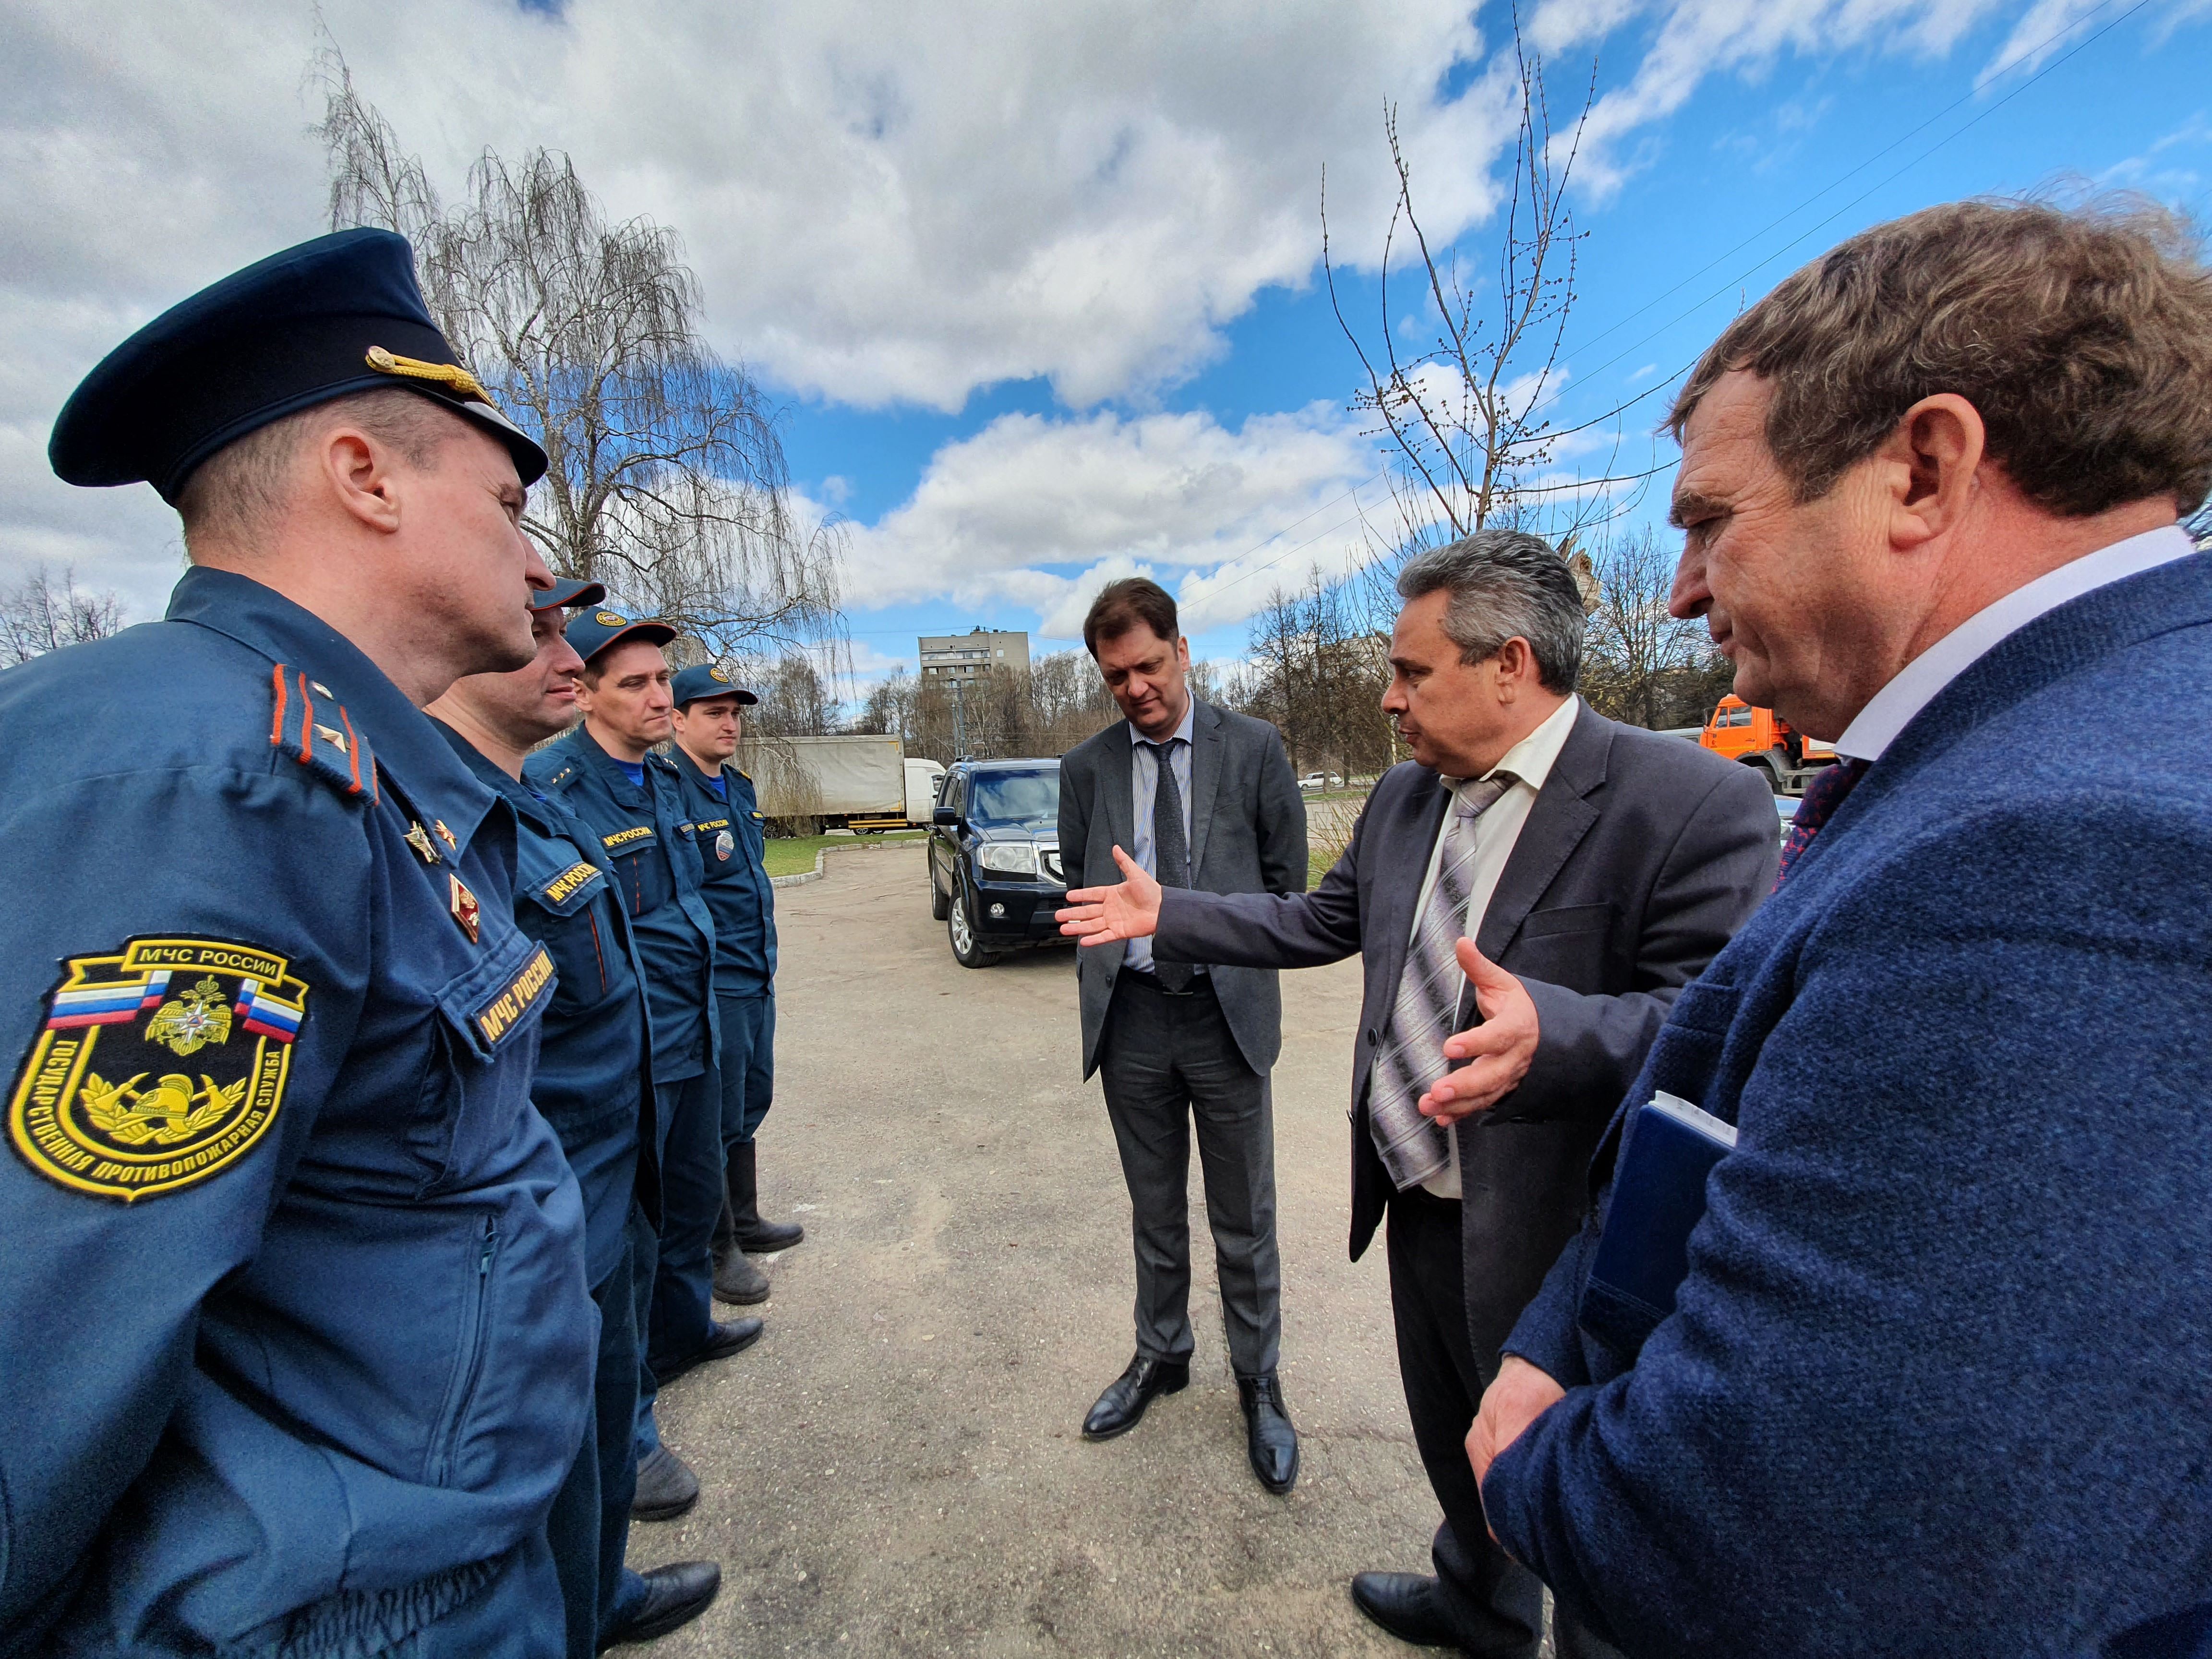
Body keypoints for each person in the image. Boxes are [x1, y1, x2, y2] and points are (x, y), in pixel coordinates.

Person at [1464, 199, 2212, 1657]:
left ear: (1922, 470)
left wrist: (1528, 1473)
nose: (1680, 589)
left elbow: (1820, 1553)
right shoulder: (2014, 751)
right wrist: (1560, 1332)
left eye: (1707, 521)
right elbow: (1707, 1113)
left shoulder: (2063, 857)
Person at [0, 228, 597, 1655]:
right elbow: (48, 1364)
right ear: (366, 475)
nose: (532, 554)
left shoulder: (336, 762)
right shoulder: (220, 780)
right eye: (509, 501)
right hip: (323, 1611)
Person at [1058, 533, 1776, 1657]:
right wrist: (1170, 914)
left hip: (1560, 1228)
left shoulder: (1689, 801)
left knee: (1580, 1487)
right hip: (1416, 1190)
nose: (1388, 700)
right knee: (1450, 1433)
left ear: (1510, 664)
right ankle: (1478, 1604)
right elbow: (1316, 922)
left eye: (1410, 673)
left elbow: (1717, 1029)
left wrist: (1564, 1032)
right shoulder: (1405, 799)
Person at [426, 581, 721, 1656]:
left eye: (560, 630)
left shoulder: (529, 802)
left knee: (600, 1421)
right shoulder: (447, 814)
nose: (553, 649)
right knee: (557, 1443)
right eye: (537, 629)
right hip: (545, 1209)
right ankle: (576, 1612)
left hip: (613, 1161)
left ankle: (599, 1597)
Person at [1057, 577, 1309, 1494]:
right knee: (1154, 1211)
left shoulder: (1255, 750)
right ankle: (1162, 1355)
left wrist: (1208, 928)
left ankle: (1260, 1381)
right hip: (1131, 1022)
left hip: (1223, 1014)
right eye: (1115, 675)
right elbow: (1084, 887)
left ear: (1184, 651)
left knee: (1246, 1217)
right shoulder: (1086, 769)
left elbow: (1290, 891)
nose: (1135, 688)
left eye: (1149, 665)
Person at [526, 618, 756, 1524]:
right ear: (584, 694)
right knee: (623, 1239)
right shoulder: (555, 788)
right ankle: (634, 1436)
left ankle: (687, 1330)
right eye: (636, 685)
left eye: (664, 681)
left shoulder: (665, 779)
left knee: (693, 1197)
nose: (662, 698)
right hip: (629, 1046)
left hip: (694, 1026)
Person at [665, 663, 804, 1309]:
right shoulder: (670, 792)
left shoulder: (737, 788)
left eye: (736, 713)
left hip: (755, 973)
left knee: (750, 1101)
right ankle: (717, 1247)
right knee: (714, 1120)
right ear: (678, 719)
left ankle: (745, 1220)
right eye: (714, 712)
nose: (730, 723)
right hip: (714, 983)